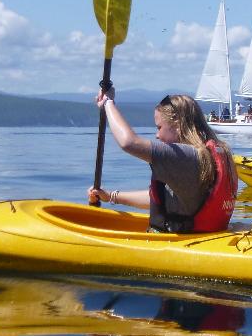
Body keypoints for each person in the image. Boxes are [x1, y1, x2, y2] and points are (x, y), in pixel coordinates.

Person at [87, 91, 238, 233]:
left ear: (178, 125)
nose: (157, 135)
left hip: (180, 243)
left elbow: (128, 142)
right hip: (206, 236)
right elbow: (163, 198)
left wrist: (108, 102)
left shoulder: (183, 156)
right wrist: (112, 196)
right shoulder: (214, 153)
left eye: (159, 127)